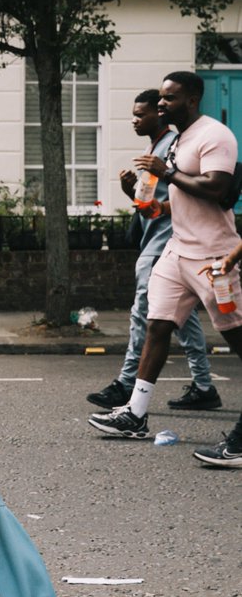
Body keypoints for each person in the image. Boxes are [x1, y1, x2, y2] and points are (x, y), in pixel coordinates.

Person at [88, 71, 242, 461]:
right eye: (160, 98)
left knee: (238, 338)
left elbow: (216, 188)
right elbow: (177, 201)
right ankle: (136, 414)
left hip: (213, 258)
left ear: (192, 100)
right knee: (156, 325)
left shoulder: (215, 136)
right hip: (177, 252)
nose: (160, 104)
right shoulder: (178, 141)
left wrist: (166, 172)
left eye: (169, 99)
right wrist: (149, 203)